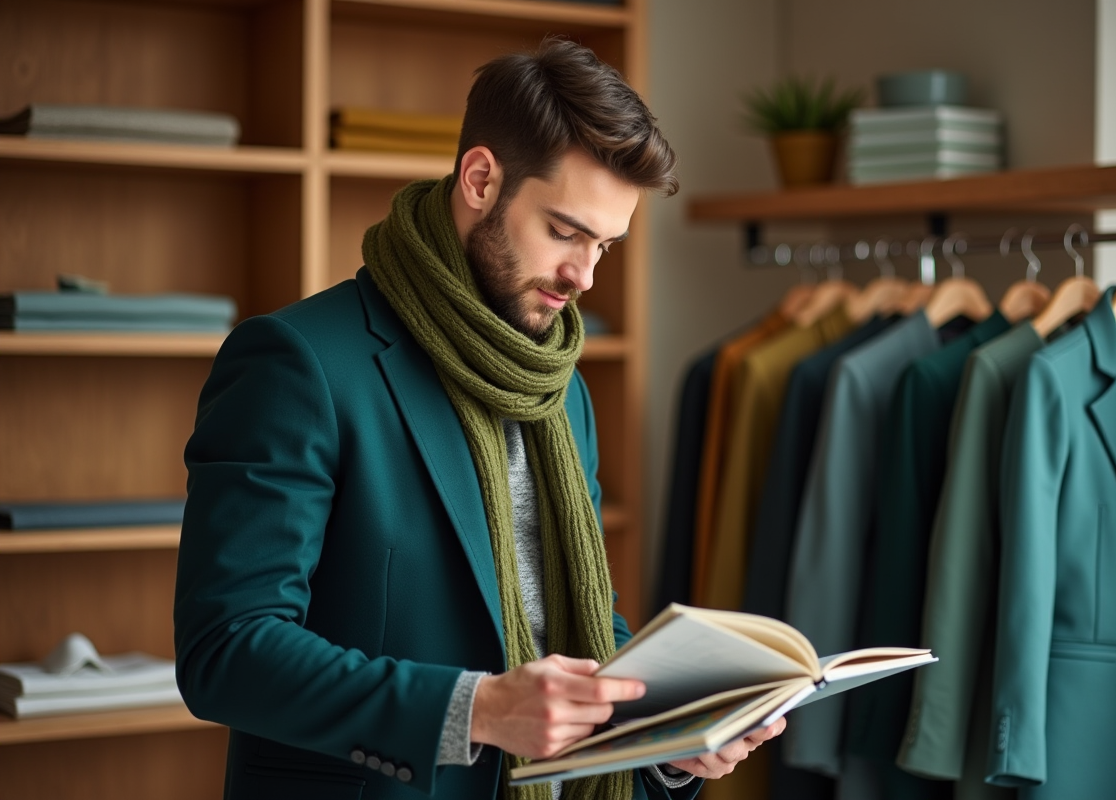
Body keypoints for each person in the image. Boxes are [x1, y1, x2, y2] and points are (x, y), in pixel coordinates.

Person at [173, 38, 783, 800]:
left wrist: (668, 736)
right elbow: (226, 652)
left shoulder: (561, 386)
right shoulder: (297, 363)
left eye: (606, 246)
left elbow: (571, 621)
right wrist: (477, 710)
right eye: (564, 231)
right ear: (481, 178)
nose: (584, 276)